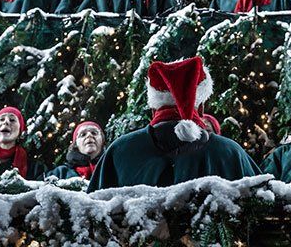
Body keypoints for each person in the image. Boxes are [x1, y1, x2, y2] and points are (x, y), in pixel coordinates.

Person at [88, 56, 260, 189]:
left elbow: (92, 219)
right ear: (201, 106)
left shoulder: (119, 151)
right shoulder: (231, 153)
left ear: (154, 107)